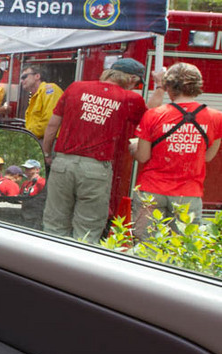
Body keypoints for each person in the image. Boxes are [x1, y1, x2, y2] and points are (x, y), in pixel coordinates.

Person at [41, 58, 160, 244]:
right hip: (95, 170)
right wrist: (160, 86)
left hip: (62, 163)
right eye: (137, 83)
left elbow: (52, 124)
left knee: (54, 225)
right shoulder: (129, 98)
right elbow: (152, 118)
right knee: (87, 231)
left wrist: (47, 154)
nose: (135, 87)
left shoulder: (75, 88)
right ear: (130, 79)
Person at [132, 63, 222, 239]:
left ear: (168, 87)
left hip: (152, 190)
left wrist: (134, 147)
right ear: (197, 86)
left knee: (144, 247)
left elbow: (143, 157)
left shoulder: (153, 114)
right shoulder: (216, 118)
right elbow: (208, 156)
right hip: (188, 195)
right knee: (181, 250)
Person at [19, 65, 63, 139]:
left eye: (24, 77)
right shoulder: (35, 96)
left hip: (51, 140)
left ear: (37, 76)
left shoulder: (50, 89)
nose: (21, 81)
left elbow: (50, 122)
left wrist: (27, 134)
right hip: (37, 139)